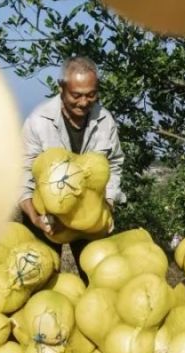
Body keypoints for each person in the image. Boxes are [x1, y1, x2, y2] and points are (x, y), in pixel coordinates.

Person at [18, 56, 125, 275]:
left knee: (99, 277)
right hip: (46, 216)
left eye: (91, 95)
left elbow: (114, 163)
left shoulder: (105, 121)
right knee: (41, 279)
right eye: (76, 95)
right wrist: (35, 219)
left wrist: (109, 203)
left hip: (90, 217)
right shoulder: (38, 121)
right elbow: (22, 175)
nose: (84, 102)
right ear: (62, 88)